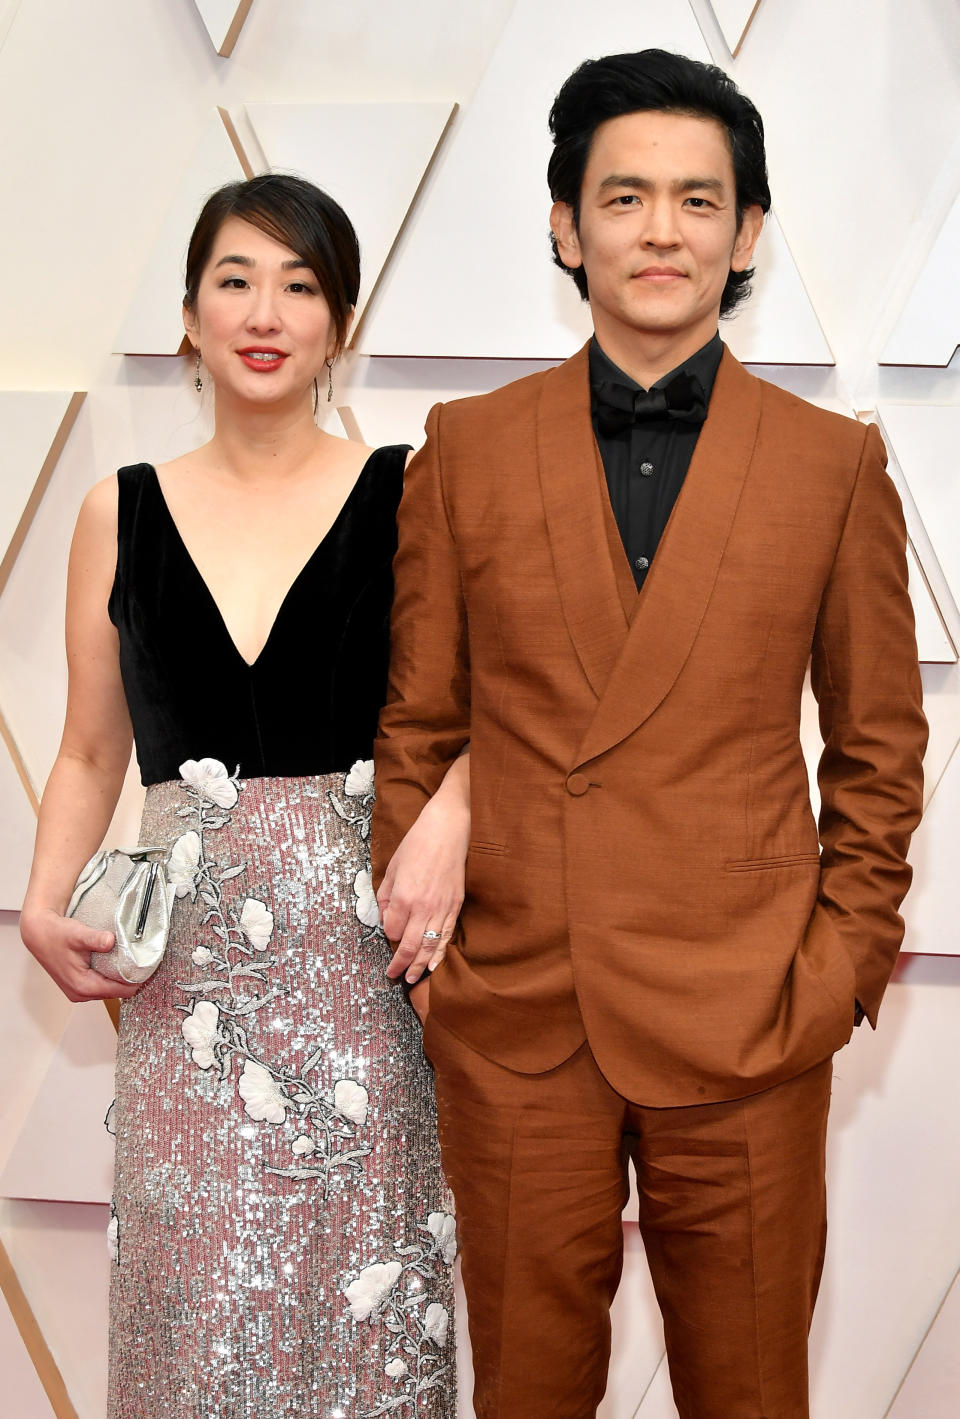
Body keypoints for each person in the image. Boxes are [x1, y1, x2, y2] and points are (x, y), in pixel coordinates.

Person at [372, 49, 927, 1419]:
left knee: (750, 1391)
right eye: (624, 196)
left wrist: (837, 967)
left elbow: (878, 750)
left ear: (746, 234)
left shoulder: (832, 462)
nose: (661, 229)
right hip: (516, 1018)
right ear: (567, 225)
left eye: (697, 198)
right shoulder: (467, 444)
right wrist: (442, 978)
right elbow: (420, 718)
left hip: (747, 1017)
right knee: (526, 1393)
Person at [20, 174, 465, 1418]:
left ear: (340, 322)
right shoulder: (121, 510)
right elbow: (90, 751)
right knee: (196, 1318)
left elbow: (506, 711)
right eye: (236, 279)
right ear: (190, 313)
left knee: (363, 1324)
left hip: (367, 975)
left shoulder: (413, 495)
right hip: (188, 988)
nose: (266, 311)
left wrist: (456, 818)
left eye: (301, 284)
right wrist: (45, 901)